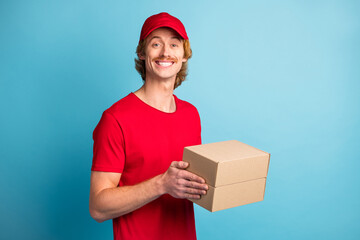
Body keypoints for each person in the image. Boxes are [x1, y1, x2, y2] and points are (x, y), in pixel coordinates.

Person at [89, 12, 208, 240]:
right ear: (142, 53)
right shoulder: (115, 119)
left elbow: (190, 185)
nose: (165, 52)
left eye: (174, 44)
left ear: (184, 55)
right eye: (156, 44)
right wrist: (161, 184)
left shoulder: (191, 115)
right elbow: (97, 207)